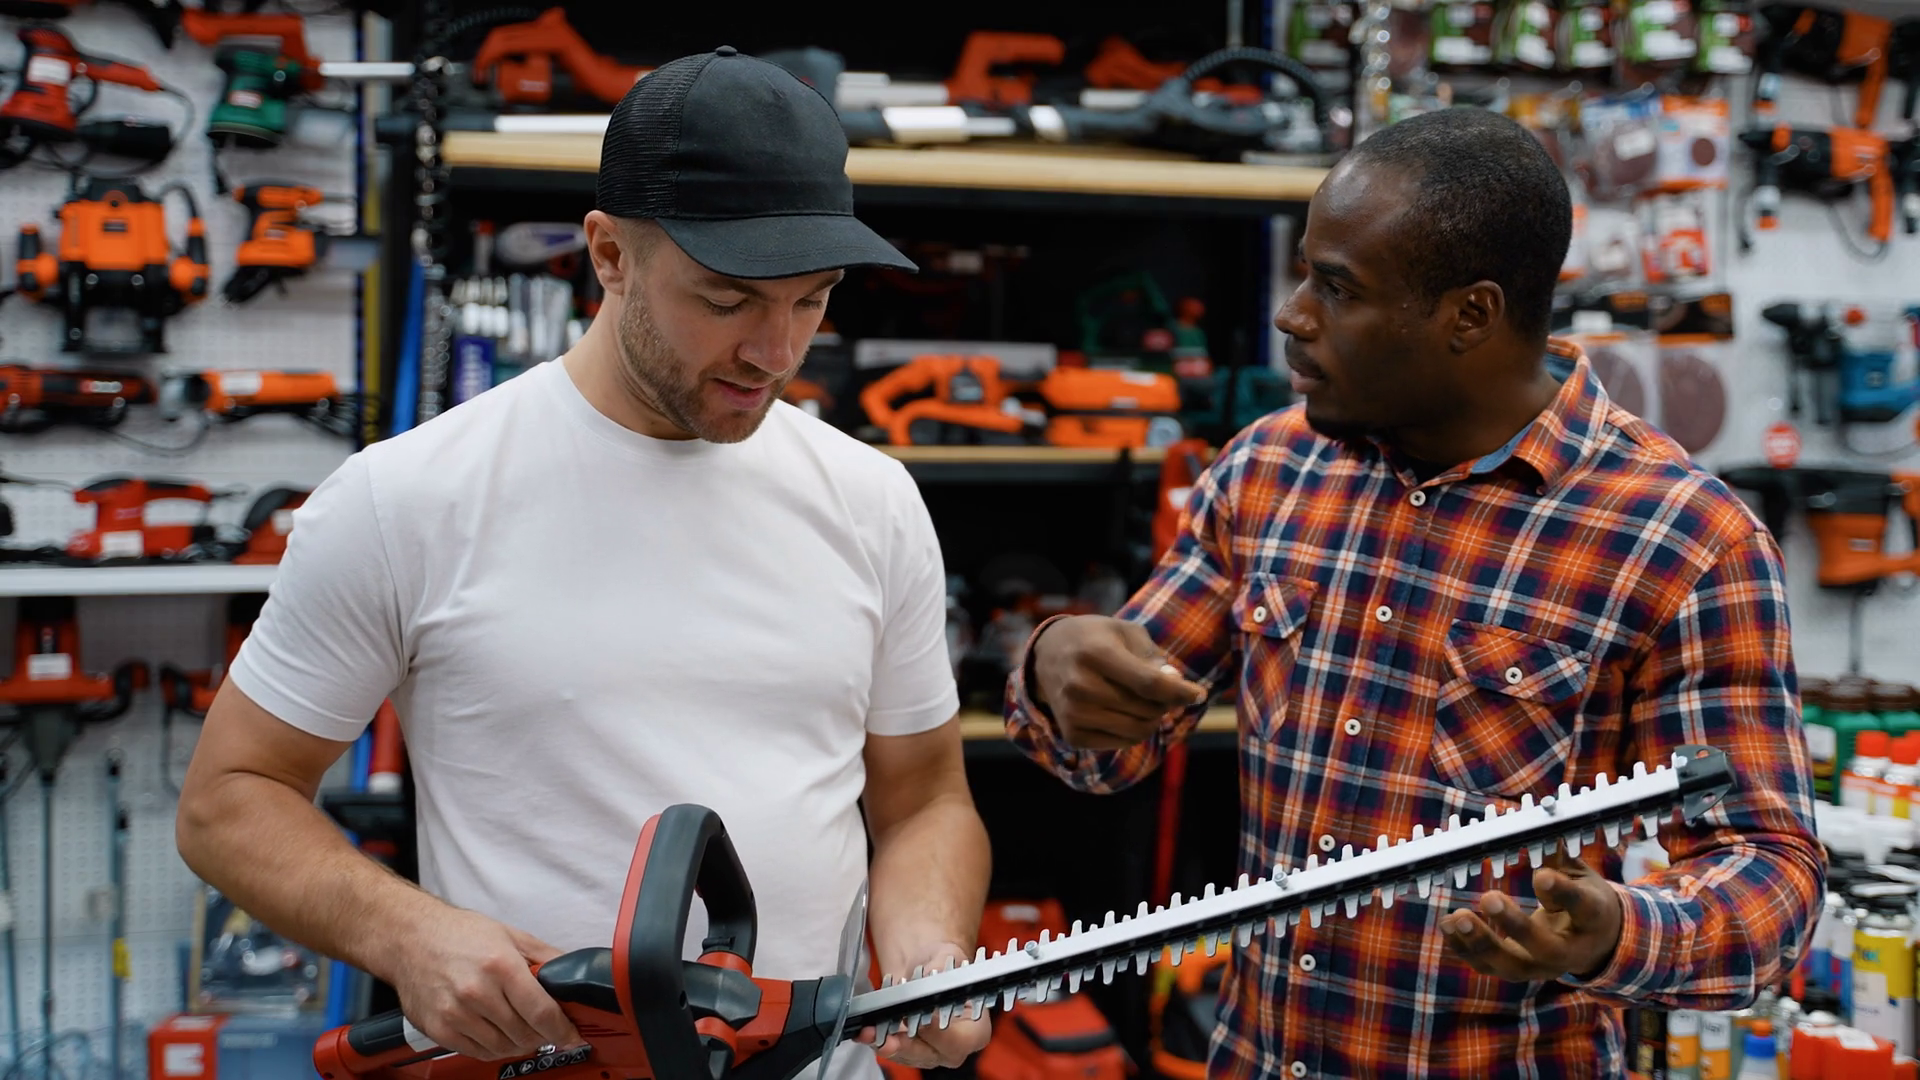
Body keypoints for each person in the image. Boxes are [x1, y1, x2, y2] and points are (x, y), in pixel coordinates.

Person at [174, 47, 992, 1079]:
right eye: (728, 301)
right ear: (608, 255)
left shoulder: (871, 501)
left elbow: (924, 799)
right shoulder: (408, 499)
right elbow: (228, 799)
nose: (778, 352)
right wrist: (405, 933)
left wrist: (926, 948)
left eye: (812, 299)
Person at [1003, 107, 1823, 1079]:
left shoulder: (1683, 540)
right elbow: (1111, 742)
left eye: (1338, 287)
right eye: (1304, 274)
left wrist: (1617, 933)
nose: (1293, 315)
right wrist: (1056, 672)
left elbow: (1771, 878)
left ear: (1470, 315)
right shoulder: (1269, 472)